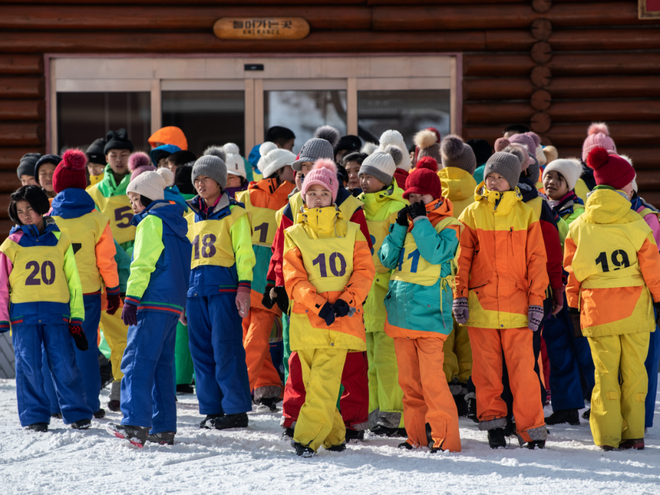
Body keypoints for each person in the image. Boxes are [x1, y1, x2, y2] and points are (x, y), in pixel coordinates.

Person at [266, 131, 372, 440]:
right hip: (305, 300)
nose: (302, 177)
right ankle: (296, 415)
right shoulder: (291, 207)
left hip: (344, 300)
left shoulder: (351, 209)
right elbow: (280, 251)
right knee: (300, 360)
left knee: (349, 362)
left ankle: (351, 420)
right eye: (299, 171)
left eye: (309, 169)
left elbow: (362, 258)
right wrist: (276, 284)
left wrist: (354, 298)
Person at [565, 147, 660, 451]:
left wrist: (572, 307)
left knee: (605, 375)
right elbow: (653, 270)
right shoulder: (637, 224)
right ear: (624, 187)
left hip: (596, 310)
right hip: (635, 311)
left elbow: (573, 272)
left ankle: (606, 437)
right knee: (634, 372)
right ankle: (634, 434)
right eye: (632, 182)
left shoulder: (579, 225)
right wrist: (658, 301)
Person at [453, 149, 549, 449]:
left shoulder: (526, 214)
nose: (493, 183)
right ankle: (494, 424)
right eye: (490, 177)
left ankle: (531, 428)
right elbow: (461, 260)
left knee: (524, 372)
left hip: (518, 307)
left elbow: (537, 262)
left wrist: (537, 301)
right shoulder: (470, 213)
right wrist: (460, 296)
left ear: (512, 180)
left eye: (499, 178)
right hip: (481, 307)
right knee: (486, 373)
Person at [379, 157, 462, 452]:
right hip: (401, 315)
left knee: (432, 383)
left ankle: (446, 439)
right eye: (410, 197)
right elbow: (386, 259)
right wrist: (400, 228)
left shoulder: (450, 225)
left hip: (429, 316)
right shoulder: (407, 224)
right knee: (410, 384)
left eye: (420, 196)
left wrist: (422, 221)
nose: (414, 201)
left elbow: (435, 253)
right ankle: (415, 436)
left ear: (435, 196)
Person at [108, 169, 191, 447]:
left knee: (137, 361)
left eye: (134, 198)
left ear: (147, 197)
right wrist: (182, 306)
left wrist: (131, 299)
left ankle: (134, 423)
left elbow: (142, 263)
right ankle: (164, 427)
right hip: (171, 304)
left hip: (151, 301)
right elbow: (183, 269)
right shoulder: (178, 225)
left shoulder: (151, 222)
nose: (132, 203)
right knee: (161, 366)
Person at [0, 185, 92, 432]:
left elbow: (73, 281)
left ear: (41, 208)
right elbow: (1, 283)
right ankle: (34, 417)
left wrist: (77, 316)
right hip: (24, 315)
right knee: (28, 364)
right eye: (20, 211)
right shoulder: (11, 244)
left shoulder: (61, 240)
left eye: (30, 208)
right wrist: (2, 317)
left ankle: (77, 413)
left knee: (64, 363)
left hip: (57, 313)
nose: (26, 214)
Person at [185, 155, 255, 430]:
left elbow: (245, 255)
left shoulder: (235, 214)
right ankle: (212, 408)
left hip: (224, 289)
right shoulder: (189, 216)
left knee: (225, 348)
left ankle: (236, 409)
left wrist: (244, 288)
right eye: (197, 180)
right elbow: (184, 257)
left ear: (220, 182)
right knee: (200, 351)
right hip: (194, 292)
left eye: (205, 179)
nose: (200, 184)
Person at [50, 150, 121, 419]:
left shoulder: (48, 219)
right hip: (89, 293)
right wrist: (113, 290)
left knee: (58, 348)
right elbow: (107, 261)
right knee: (87, 347)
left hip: (56, 293)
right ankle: (90, 403)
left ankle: (57, 405)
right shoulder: (97, 219)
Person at [236, 145, 296, 411]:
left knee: (251, 339)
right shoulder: (292, 201)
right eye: (291, 170)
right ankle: (259, 388)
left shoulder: (245, 197)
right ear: (280, 171)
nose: (295, 175)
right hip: (269, 282)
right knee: (256, 341)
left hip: (245, 280)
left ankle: (247, 390)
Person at [540, 158, 595, 426]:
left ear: (570, 184)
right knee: (558, 349)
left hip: (574, 293)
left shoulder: (578, 213)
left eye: (557, 178)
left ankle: (599, 402)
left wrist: (550, 221)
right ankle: (566, 406)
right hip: (549, 291)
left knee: (585, 352)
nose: (550, 182)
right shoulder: (539, 208)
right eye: (548, 176)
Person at [358, 148, 407, 436]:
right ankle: (374, 414)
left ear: (386, 179)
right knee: (369, 361)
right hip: (363, 294)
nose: (363, 181)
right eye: (362, 175)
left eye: (370, 177)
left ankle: (395, 417)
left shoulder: (397, 208)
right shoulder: (356, 207)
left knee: (388, 361)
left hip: (387, 293)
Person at [87, 128, 135, 411]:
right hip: (106, 273)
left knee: (131, 335)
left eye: (124, 154)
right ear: (105, 159)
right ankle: (118, 386)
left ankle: (126, 387)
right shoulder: (93, 194)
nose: (118, 159)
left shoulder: (141, 187)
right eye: (113, 155)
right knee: (113, 335)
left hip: (137, 272)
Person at [434, 134, 478, 413]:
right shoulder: (478, 197)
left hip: (439, 277)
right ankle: (470, 385)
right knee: (470, 334)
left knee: (444, 334)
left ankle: (448, 385)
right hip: (470, 276)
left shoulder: (434, 194)